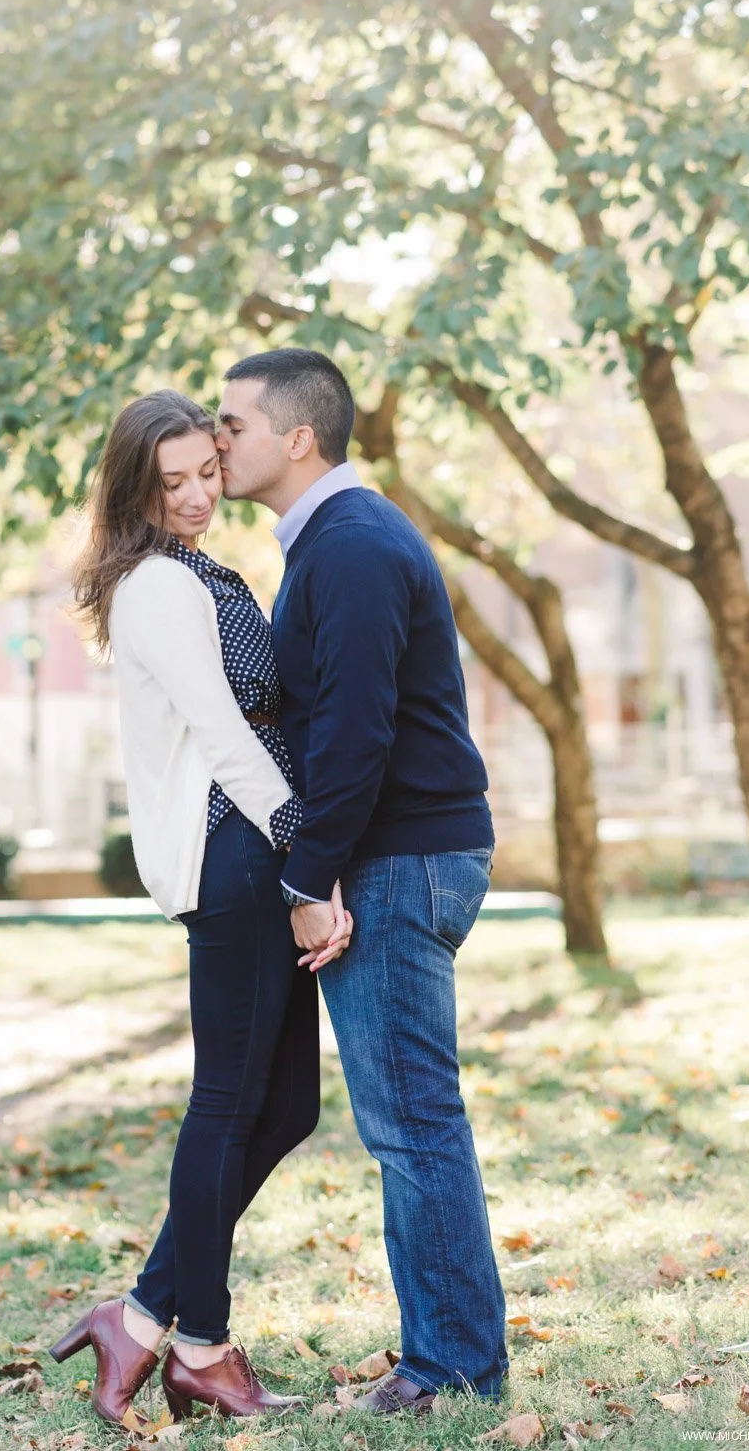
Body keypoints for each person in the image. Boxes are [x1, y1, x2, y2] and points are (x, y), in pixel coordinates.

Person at [50, 389, 352, 1426]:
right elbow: (229, 736)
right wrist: (304, 859)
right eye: (169, 481)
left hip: (253, 844)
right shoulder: (156, 587)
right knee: (229, 1098)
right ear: (134, 487)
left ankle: (139, 1319)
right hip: (234, 851)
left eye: (205, 473)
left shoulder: (193, 572)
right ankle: (204, 1348)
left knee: (288, 1105)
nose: (193, 495)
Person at [216, 348, 508, 1411]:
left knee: (413, 1123)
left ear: (298, 438)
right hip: (400, 854)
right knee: (414, 1120)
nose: (216, 441)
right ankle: (452, 1354)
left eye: (232, 423)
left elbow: (354, 735)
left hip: (401, 859)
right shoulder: (337, 541)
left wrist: (311, 878)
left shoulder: (349, 545)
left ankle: (453, 1371)